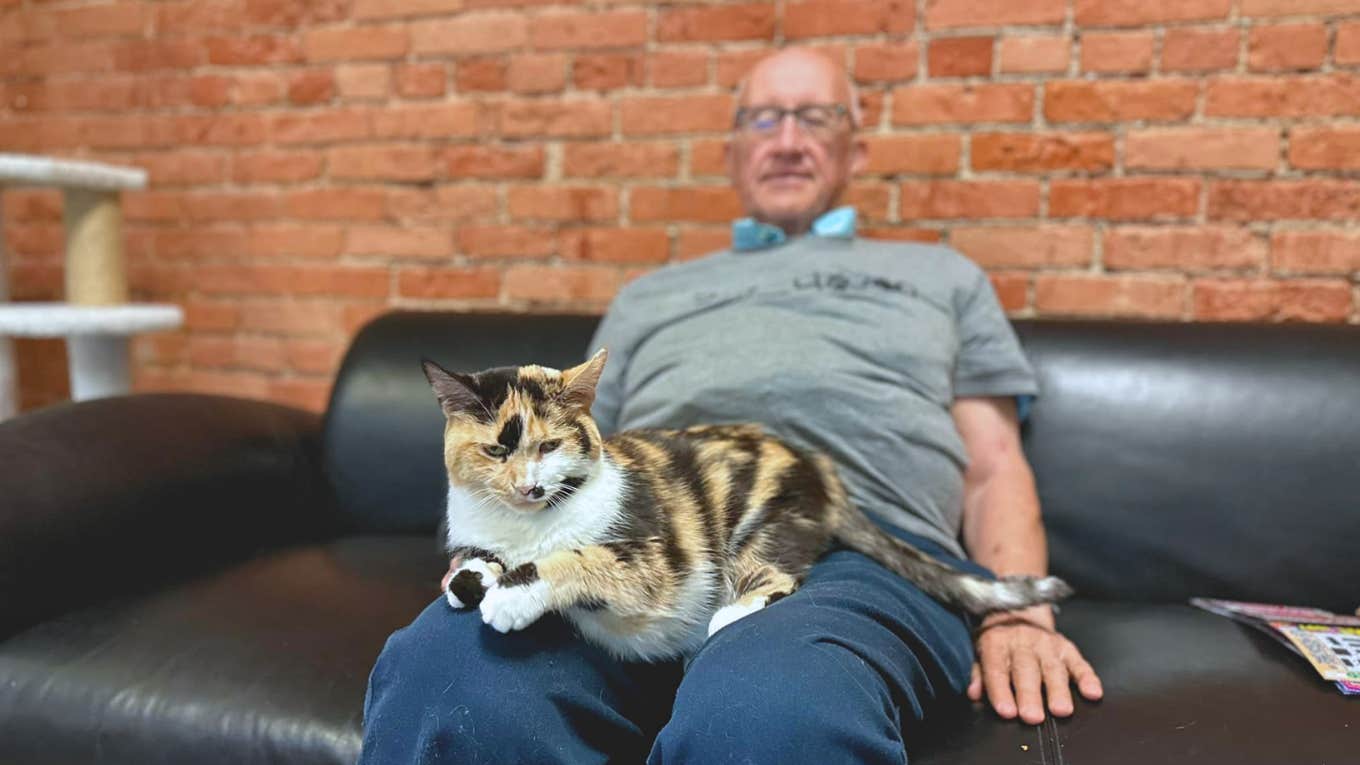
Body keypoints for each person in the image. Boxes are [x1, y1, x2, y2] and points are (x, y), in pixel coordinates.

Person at [359, 47, 1103, 764]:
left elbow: (995, 465)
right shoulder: (648, 296)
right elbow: (564, 451)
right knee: (443, 680)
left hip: (849, 551)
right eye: (762, 119)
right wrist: (493, 550)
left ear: (858, 150)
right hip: (632, 545)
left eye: (815, 118)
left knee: (765, 710)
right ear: (730, 150)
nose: (786, 140)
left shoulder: (942, 276)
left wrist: (1017, 614)